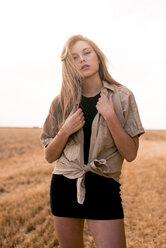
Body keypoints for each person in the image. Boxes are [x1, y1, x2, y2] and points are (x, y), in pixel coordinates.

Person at [40, 34, 145, 248]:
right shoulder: (61, 102)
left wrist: (110, 116)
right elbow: (49, 156)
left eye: (86, 53)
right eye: (74, 57)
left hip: (104, 186)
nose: (82, 60)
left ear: (97, 56)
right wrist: (65, 130)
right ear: (69, 65)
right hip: (64, 185)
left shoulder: (123, 96)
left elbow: (131, 154)